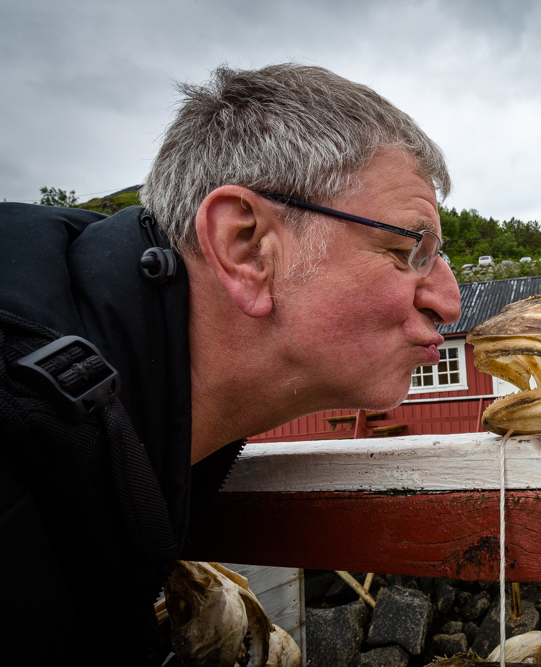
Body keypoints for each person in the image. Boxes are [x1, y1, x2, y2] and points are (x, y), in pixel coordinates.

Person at [0, 63, 461, 664]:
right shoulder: (20, 442)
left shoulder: (117, 392)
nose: (448, 301)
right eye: (408, 250)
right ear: (246, 246)